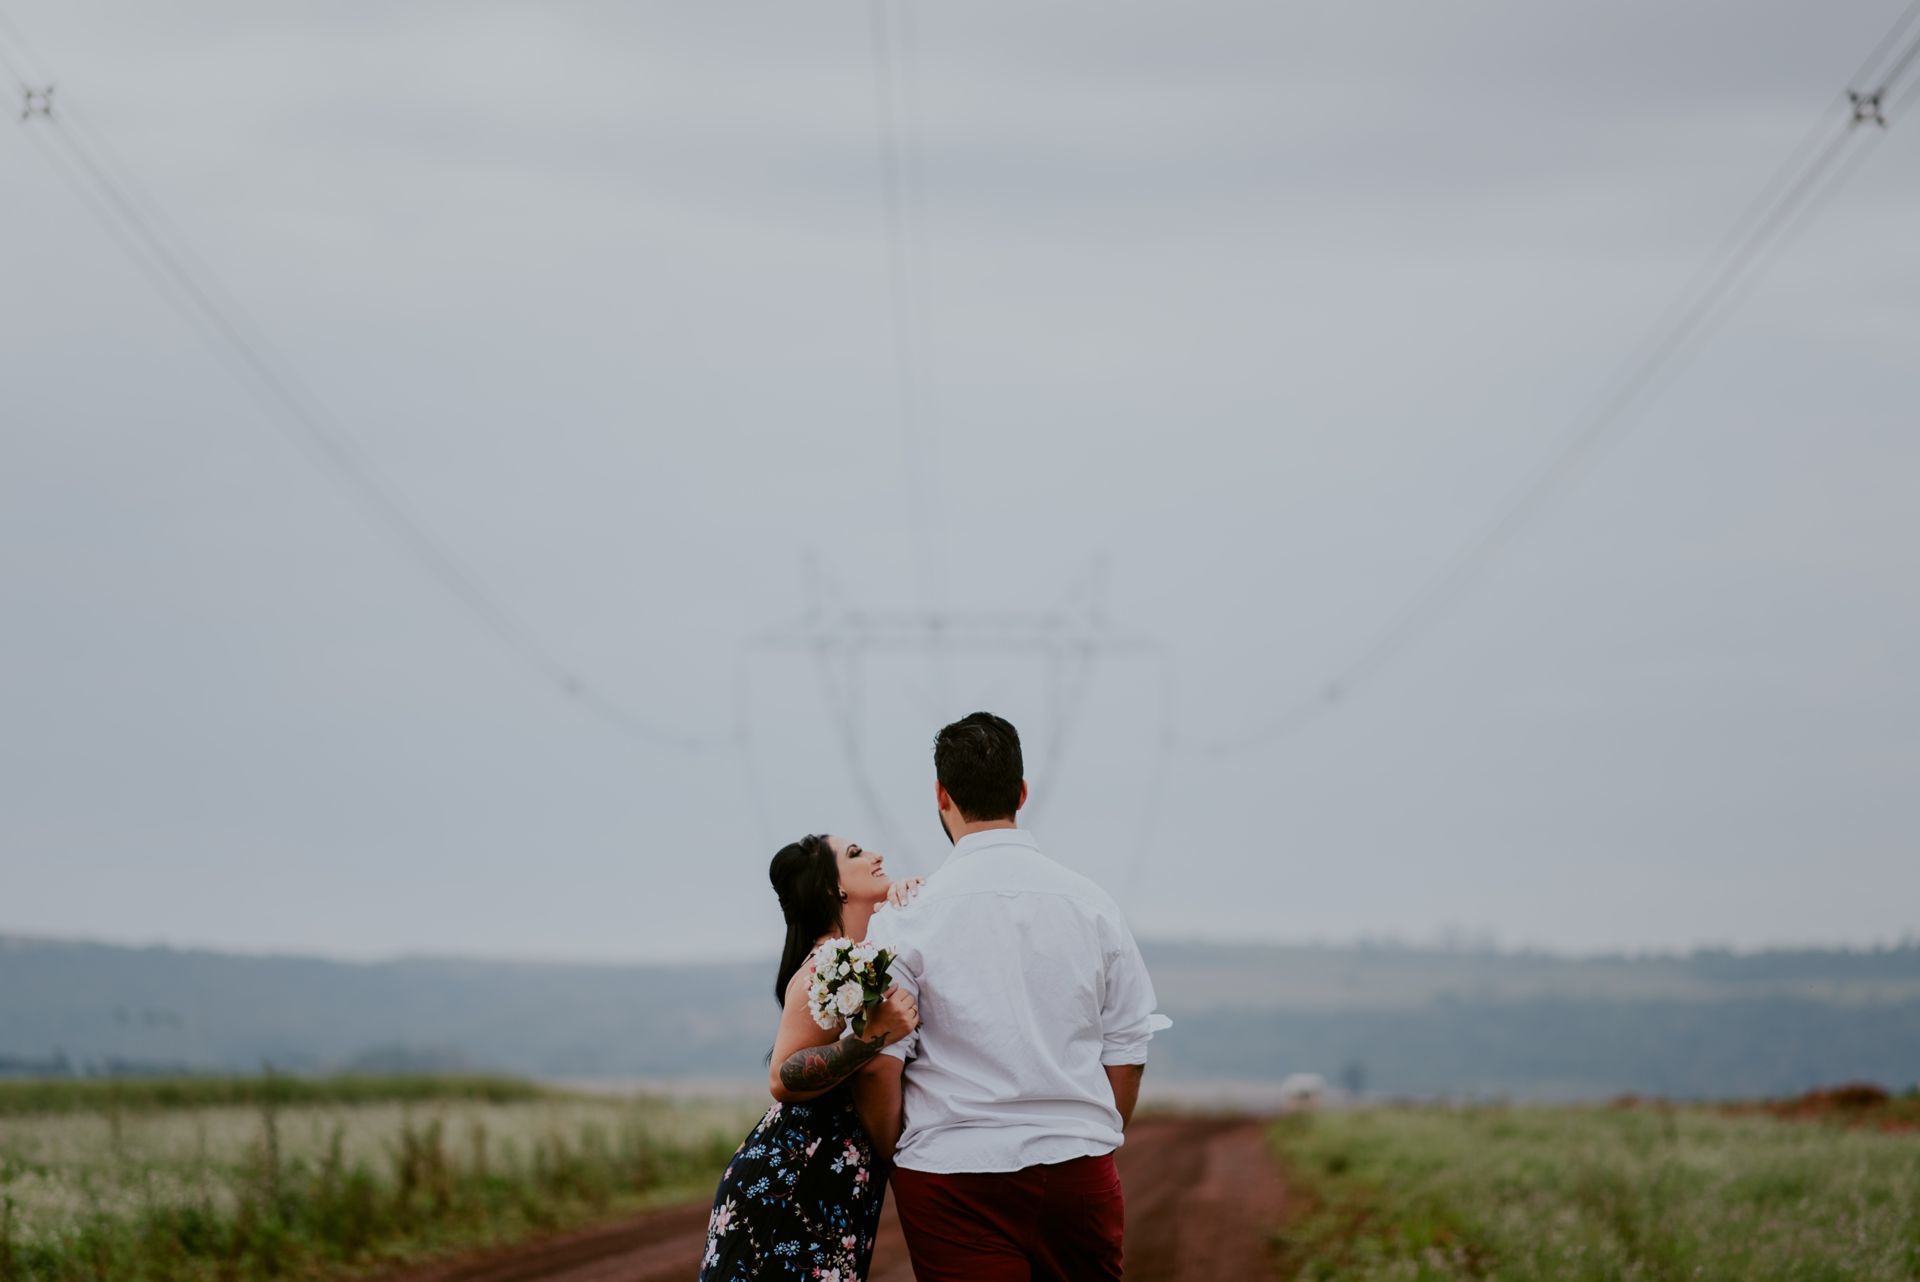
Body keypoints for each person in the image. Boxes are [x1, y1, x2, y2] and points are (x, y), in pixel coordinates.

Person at [856, 711, 1166, 1281]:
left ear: (941, 795)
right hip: (1077, 1171)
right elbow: (1127, 1050)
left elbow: (879, 1066)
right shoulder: (1092, 904)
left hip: (950, 1175)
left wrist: (900, 1155)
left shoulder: (905, 919)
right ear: (1022, 792)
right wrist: (1089, 1137)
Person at [695, 833, 921, 1282]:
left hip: (828, 1184)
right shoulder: (826, 964)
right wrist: (872, 1038)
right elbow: (782, 1077)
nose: (876, 855)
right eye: (856, 854)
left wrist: (909, 900)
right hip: (791, 1186)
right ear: (831, 888)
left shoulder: (860, 956)